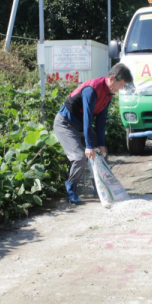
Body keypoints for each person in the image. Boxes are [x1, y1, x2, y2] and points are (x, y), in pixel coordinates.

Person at [53, 63, 133, 204]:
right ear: (112, 78)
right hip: (65, 124)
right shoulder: (92, 89)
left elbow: (101, 121)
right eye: (121, 84)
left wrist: (100, 144)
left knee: (102, 153)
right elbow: (88, 118)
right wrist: (89, 146)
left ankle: (99, 186)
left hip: (81, 126)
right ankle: (70, 190)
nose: (121, 89)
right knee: (79, 157)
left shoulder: (109, 94)